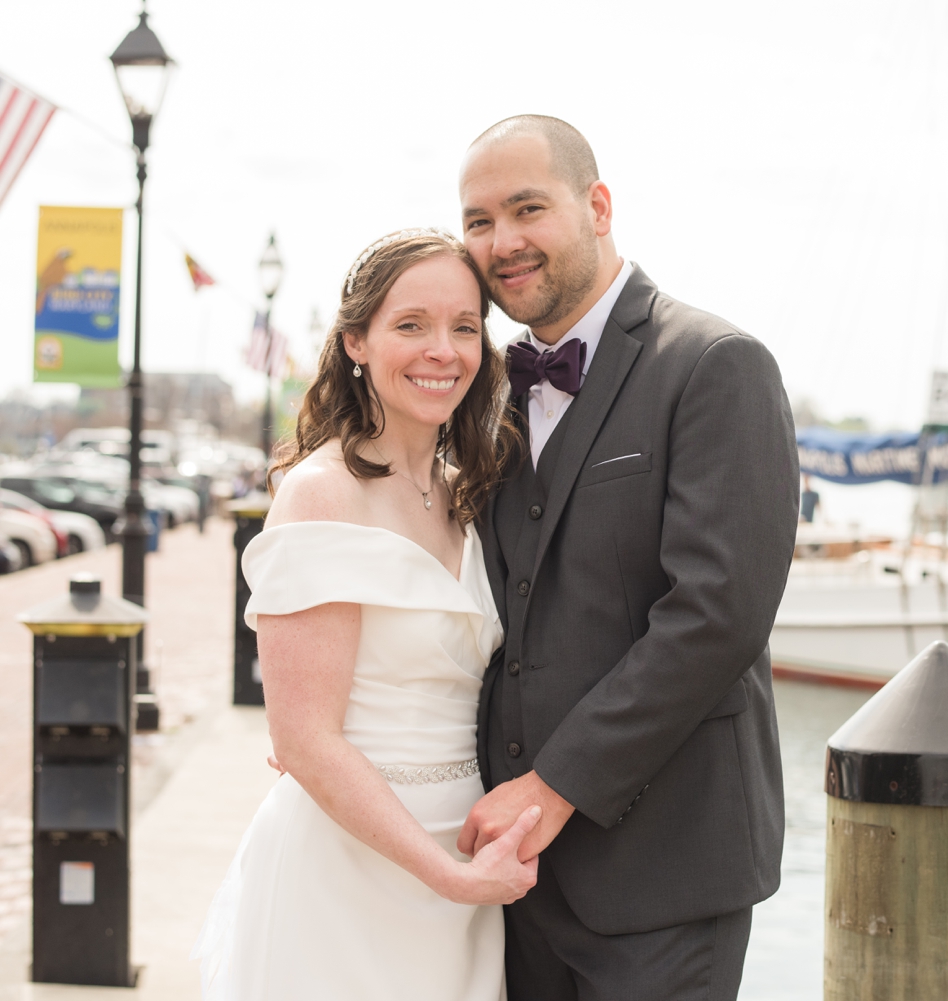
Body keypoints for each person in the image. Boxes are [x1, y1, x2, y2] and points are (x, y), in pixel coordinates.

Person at [458, 115, 799, 999]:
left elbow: (716, 615)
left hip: (669, 871)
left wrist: (554, 786)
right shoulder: (483, 391)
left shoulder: (716, 364)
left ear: (597, 205)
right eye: (479, 220)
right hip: (514, 878)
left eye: (528, 208)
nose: (504, 243)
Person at [194, 231, 539, 999]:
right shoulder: (322, 492)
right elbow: (304, 737)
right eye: (409, 324)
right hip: (352, 866)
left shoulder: (468, 495)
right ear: (356, 340)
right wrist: (444, 873)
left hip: (465, 858)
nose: (441, 350)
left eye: (462, 326)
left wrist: (471, 866)